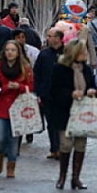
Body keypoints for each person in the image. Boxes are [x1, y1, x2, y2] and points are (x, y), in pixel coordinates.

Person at [50, 39, 97, 190]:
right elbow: (54, 90)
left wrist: (91, 91)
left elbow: (92, 85)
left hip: (83, 112)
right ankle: (62, 176)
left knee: (80, 144)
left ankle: (75, 178)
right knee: (65, 144)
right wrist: (70, 94)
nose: (85, 54)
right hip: (65, 112)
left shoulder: (86, 69)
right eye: (83, 52)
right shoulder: (59, 68)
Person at [0, 40, 34, 178]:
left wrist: (19, 87)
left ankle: (11, 165)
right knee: (0, 137)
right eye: (7, 50)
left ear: (18, 52)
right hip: (0, 107)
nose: (10, 52)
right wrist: (6, 87)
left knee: (14, 139)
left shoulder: (25, 67)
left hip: (18, 107)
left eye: (13, 50)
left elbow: (31, 87)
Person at [34, 28, 65, 160]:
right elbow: (37, 73)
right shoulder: (44, 54)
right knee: (51, 122)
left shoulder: (68, 53)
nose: (48, 38)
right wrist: (38, 90)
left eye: (51, 36)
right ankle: (54, 148)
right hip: (47, 93)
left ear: (58, 38)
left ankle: (62, 147)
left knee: (62, 122)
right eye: (48, 36)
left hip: (64, 94)